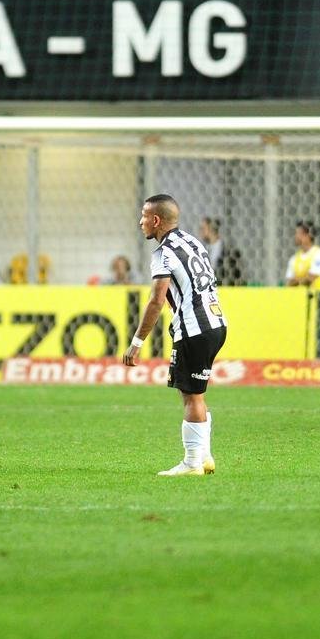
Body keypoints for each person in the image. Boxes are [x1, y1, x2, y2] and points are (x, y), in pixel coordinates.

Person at [123, 194, 227, 477]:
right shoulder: (193, 242)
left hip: (194, 328)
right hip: (216, 323)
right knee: (196, 393)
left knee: (191, 396)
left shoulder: (163, 253)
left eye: (144, 216)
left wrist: (136, 343)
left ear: (156, 220)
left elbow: (157, 301)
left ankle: (192, 463)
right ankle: (204, 457)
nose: (140, 221)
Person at [285, 222, 320, 290]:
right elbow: (289, 283)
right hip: (300, 298)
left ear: (308, 235)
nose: (296, 236)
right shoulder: (294, 258)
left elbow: (311, 278)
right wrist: (305, 277)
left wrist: (297, 279)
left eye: (299, 233)